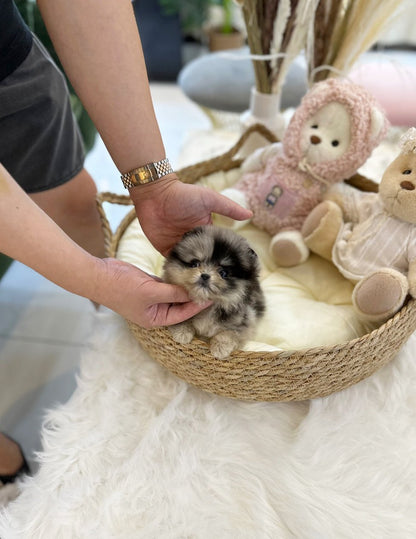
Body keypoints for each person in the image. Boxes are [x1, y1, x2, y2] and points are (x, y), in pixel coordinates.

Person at [0, 0, 251, 494]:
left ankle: (126, 338)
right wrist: (94, 278)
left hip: (7, 55)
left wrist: (154, 186)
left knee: (72, 198)